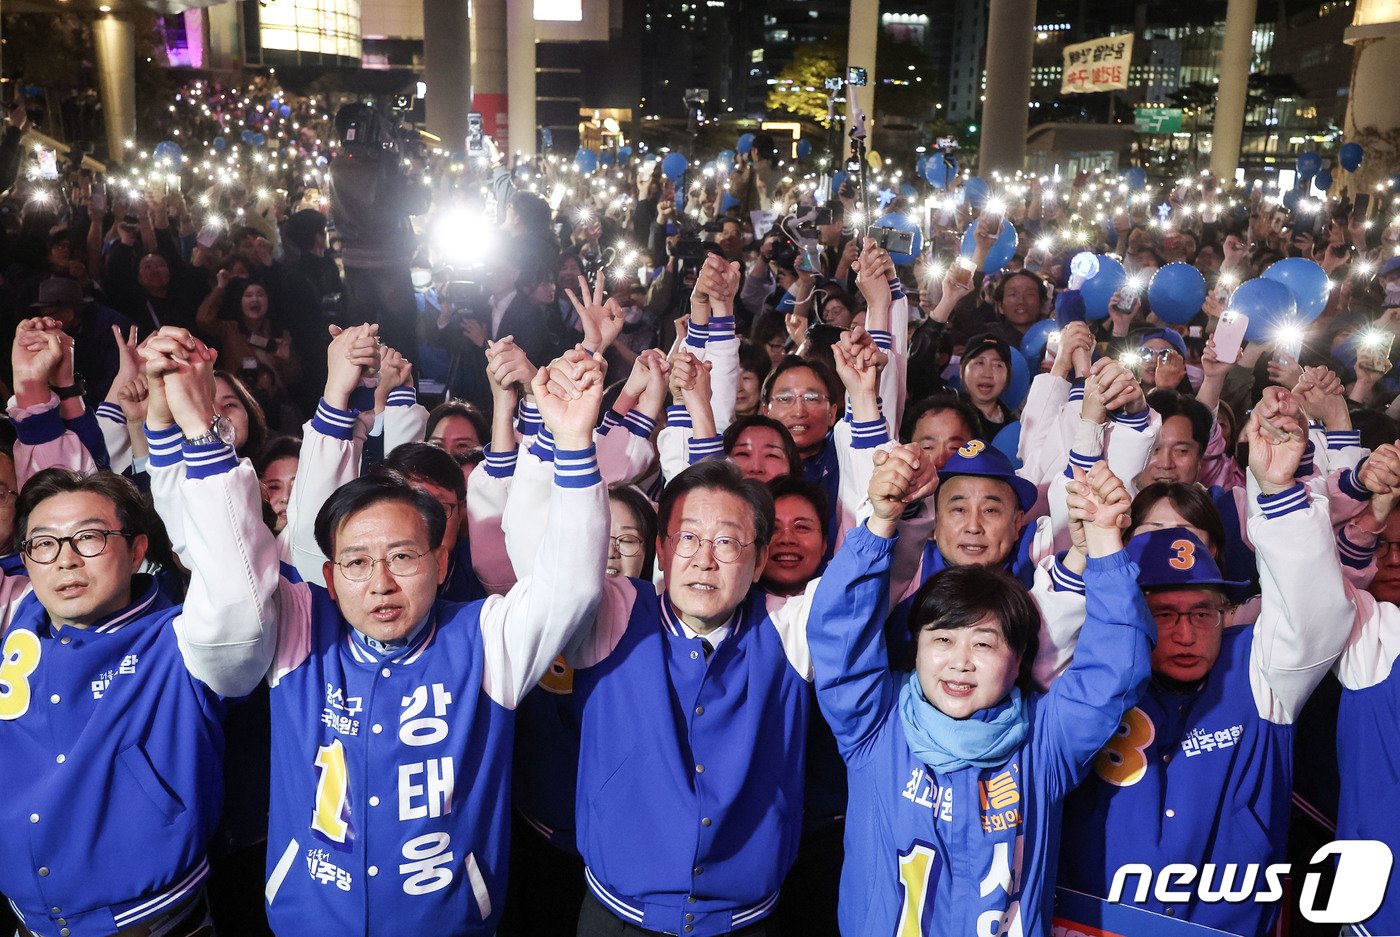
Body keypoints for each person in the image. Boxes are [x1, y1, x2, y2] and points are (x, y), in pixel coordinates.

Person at [218, 325, 610, 934]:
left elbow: (573, 588)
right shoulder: (299, 629)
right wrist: (335, 394)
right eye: (356, 562)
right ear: (329, 573)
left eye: (402, 556)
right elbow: (286, 542)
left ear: (442, 561)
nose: (380, 582)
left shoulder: (485, 640)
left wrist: (574, 443)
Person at [806, 446, 1154, 936]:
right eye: (943, 639)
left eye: (985, 643)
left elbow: (1115, 672)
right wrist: (881, 520)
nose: (961, 662)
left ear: (1018, 662)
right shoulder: (875, 727)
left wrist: (1104, 544)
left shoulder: (1044, 743)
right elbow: (838, 633)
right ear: (917, 647)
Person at [0, 323, 278, 937]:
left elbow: (234, 586)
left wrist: (197, 426)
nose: (65, 558)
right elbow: (54, 490)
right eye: (43, 545)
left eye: (91, 539)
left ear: (138, 548)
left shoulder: (181, 643)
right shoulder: (20, 612)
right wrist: (32, 386)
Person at [1047, 389, 1355, 936]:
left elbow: (1318, 616)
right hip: (1094, 923)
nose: (1187, 633)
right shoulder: (1092, 674)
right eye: (1164, 614)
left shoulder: (1258, 672)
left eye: (1203, 612)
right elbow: (1045, 644)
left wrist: (1279, 488)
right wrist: (1087, 545)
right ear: (1133, 611)